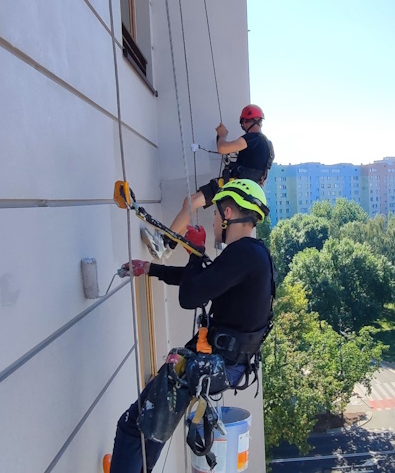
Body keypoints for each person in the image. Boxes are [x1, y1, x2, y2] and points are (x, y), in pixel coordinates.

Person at [108, 179, 274, 473]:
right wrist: (150, 268)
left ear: (228, 212)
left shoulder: (244, 255)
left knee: (134, 427)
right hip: (225, 363)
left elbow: (189, 296)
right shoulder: (253, 255)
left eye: (214, 215)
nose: (212, 223)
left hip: (213, 363)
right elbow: (201, 280)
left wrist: (195, 252)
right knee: (151, 426)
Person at [141, 104, 274, 259]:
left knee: (191, 202)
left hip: (234, 187)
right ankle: (168, 245)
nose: (243, 126)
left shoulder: (252, 138)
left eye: (244, 123)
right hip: (244, 192)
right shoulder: (268, 145)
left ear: (248, 121)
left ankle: (164, 244)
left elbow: (223, 148)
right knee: (190, 203)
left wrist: (222, 135)